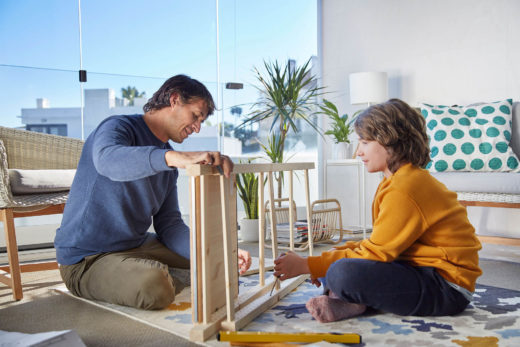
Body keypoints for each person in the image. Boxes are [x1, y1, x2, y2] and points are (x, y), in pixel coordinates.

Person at [273, 98, 482, 323]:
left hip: (446, 287)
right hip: (419, 269)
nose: (357, 152)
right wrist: (317, 263)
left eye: (364, 142)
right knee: (335, 262)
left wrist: (307, 265)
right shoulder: (395, 181)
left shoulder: (405, 187)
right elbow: (376, 244)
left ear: (389, 140)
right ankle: (347, 301)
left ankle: (349, 300)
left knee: (340, 272)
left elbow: (376, 253)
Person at [55, 74, 251, 310]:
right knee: (154, 286)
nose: (197, 128)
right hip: (87, 258)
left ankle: (159, 271)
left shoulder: (168, 165)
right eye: (196, 116)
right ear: (175, 99)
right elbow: (107, 160)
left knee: (214, 258)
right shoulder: (118, 127)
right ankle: (159, 275)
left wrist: (221, 251)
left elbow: (169, 225)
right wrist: (173, 158)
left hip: (136, 245)